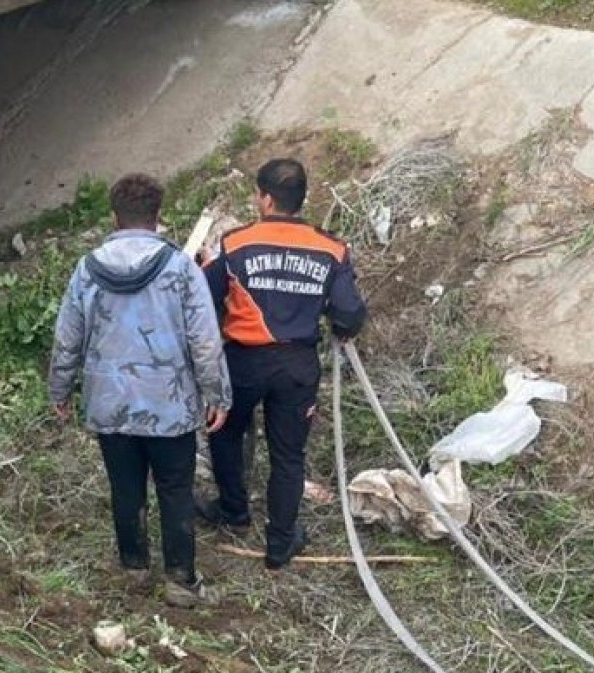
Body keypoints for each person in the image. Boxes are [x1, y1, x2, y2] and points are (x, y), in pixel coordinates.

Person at [49, 173, 232, 607]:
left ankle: (133, 568)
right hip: (170, 406)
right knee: (175, 489)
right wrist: (217, 395)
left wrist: (60, 389)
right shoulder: (182, 269)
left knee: (124, 486)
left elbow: (67, 338)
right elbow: (205, 340)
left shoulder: (87, 269)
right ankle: (180, 581)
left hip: (110, 404)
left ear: (114, 217)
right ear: (158, 217)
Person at [197, 158, 367, 569]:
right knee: (288, 456)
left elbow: (204, 295)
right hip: (296, 365)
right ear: (300, 199)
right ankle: (280, 543)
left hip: (242, 360)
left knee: (225, 433)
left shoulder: (237, 243)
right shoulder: (332, 249)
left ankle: (234, 511)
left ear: (266, 198)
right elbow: (349, 313)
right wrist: (337, 324)